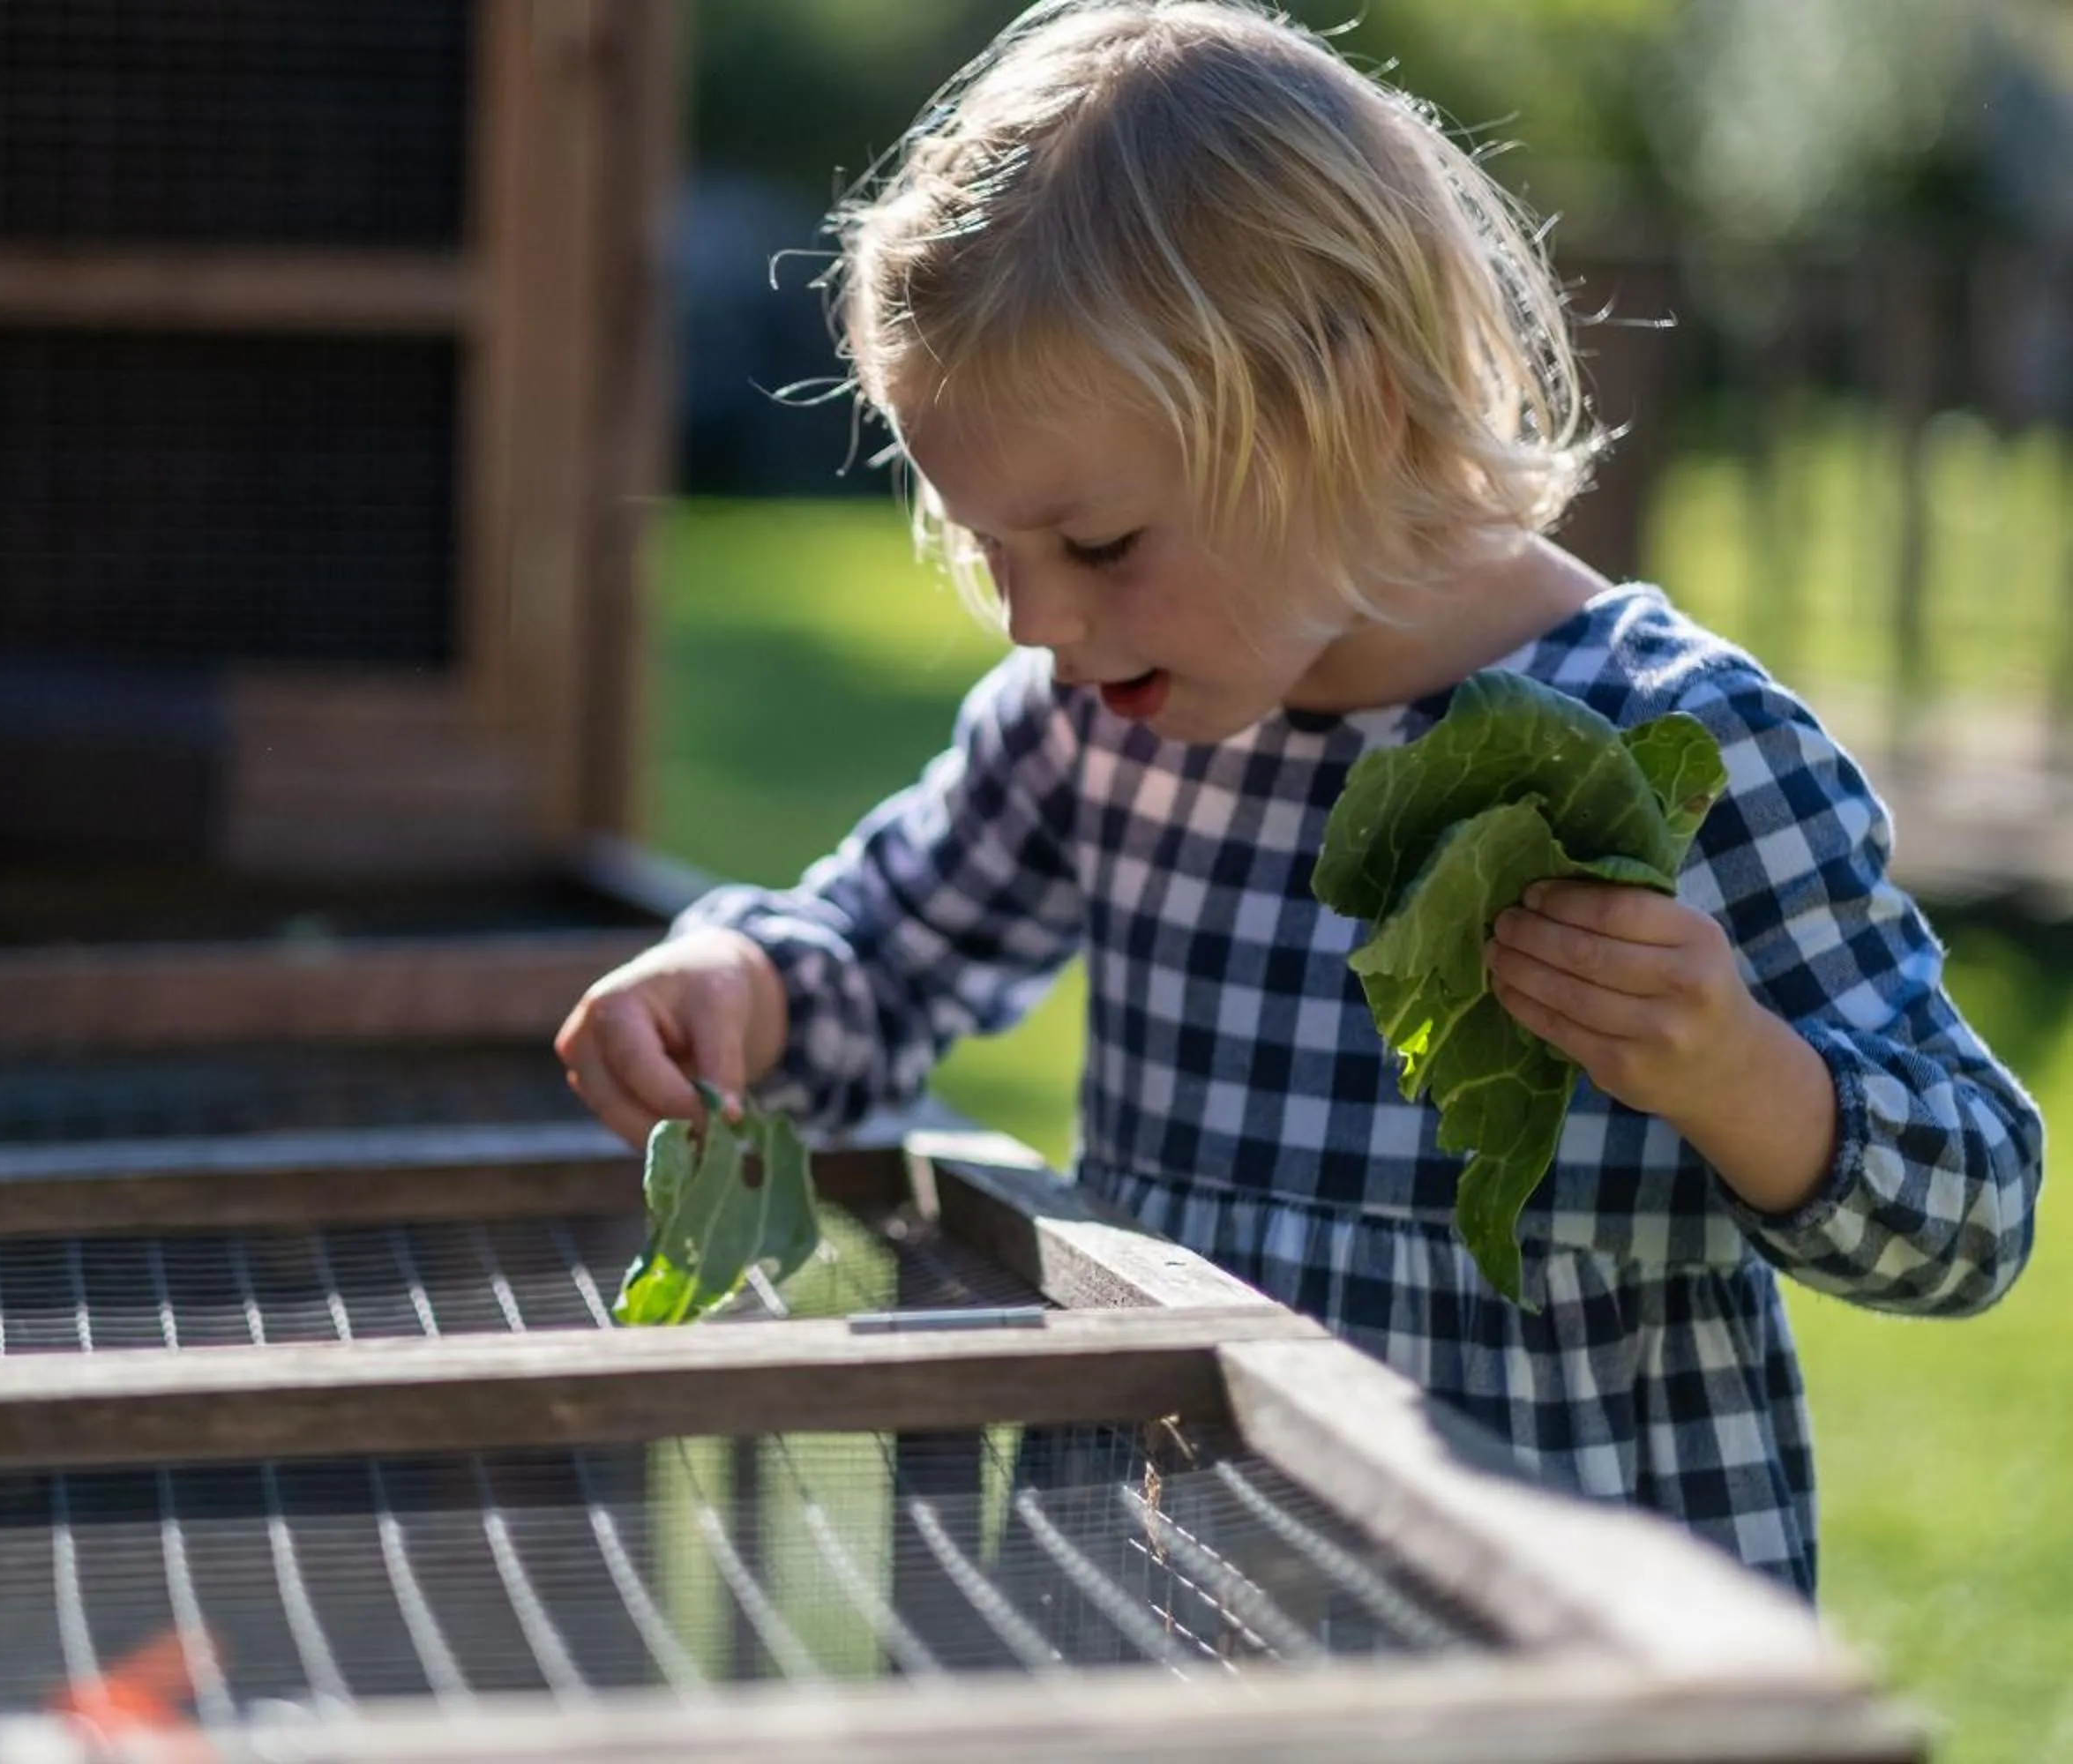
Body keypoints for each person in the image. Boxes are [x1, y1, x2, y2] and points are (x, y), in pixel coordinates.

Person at [552, 0, 2041, 1596]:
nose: (1037, 623)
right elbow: (879, 958)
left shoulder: (1675, 741)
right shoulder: (1092, 729)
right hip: (1153, 1609)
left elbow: (1973, 1214)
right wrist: (746, 987)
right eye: (987, 547)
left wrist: (1744, 1078)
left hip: (1553, 1640)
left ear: (1356, 415)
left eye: (1103, 546)